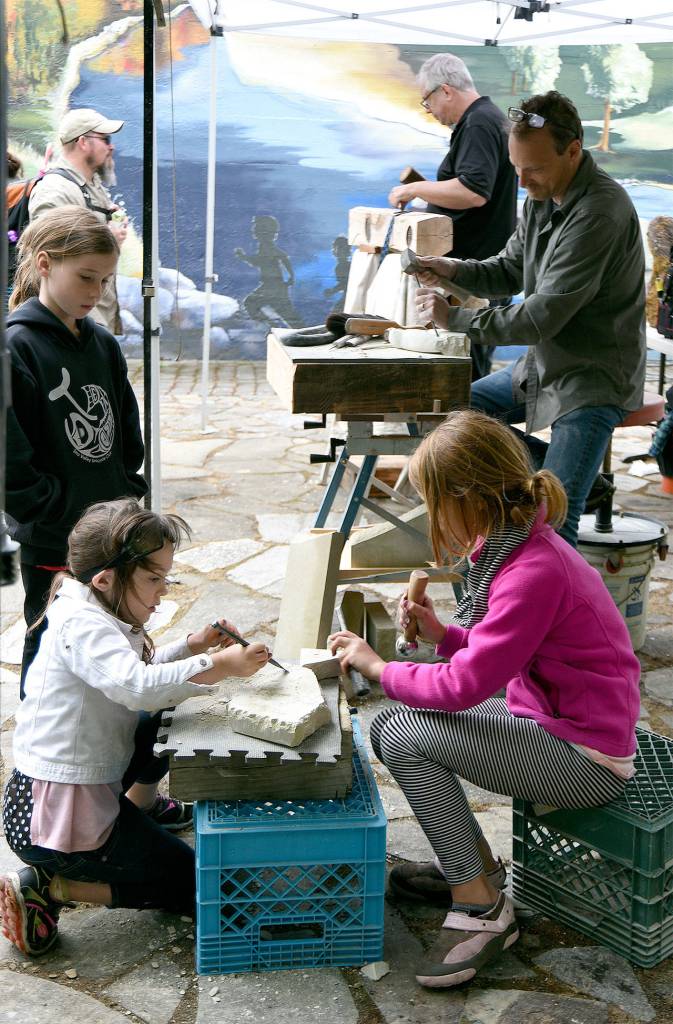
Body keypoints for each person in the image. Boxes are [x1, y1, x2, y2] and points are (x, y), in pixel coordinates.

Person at [328, 410, 640, 988]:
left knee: (398, 731)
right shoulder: (520, 547)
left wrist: (379, 665)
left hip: (588, 757)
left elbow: (465, 686)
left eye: (433, 502)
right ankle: (473, 869)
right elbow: (505, 651)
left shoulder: (532, 570)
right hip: (550, 718)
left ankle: (483, 906)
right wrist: (446, 635)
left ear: (467, 498)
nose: (431, 518)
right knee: (407, 721)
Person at [0, 498, 270, 958]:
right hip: (58, 819)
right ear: (105, 578)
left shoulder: (91, 604)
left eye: (166, 577)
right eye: (153, 578)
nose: (163, 590)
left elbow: (138, 673)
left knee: (169, 708)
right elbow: (138, 686)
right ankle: (55, 887)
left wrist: (193, 646)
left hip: (66, 790)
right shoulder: (83, 625)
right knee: (197, 885)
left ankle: (139, 807)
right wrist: (219, 663)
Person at [411, 91, 646, 548]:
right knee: (444, 422)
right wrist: (452, 269)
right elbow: (507, 269)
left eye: (533, 169)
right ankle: (579, 478)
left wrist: (456, 319)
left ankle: (568, 485)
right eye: (516, 168)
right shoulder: (543, 194)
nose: (522, 181)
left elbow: (539, 318)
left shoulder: (599, 213)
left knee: (555, 524)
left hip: (590, 378)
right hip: (541, 368)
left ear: (573, 150)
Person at [4, 206, 147, 699]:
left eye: (105, 281)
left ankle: (101, 758)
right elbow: (9, 460)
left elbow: (126, 431)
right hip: (53, 541)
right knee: (49, 651)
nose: (96, 292)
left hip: (111, 530)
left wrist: (128, 495)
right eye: (86, 277)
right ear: (44, 263)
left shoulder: (103, 345)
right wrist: (52, 510)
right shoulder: (16, 348)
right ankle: (36, 767)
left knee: (111, 643)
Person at [388, 53, 518, 380]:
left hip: (477, 274)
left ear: (445, 90)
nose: (429, 110)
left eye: (427, 101)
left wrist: (416, 189)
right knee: (466, 369)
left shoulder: (478, 123)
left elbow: (474, 192)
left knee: (464, 376)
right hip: (479, 270)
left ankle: (466, 431)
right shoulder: (484, 119)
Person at [28, 108, 128, 333]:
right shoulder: (55, 190)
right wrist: (109, 238)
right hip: (72, 323)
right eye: (105, 139)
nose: (110, 147)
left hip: (91, 319)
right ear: (83, 142)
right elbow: (49, 256)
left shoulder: (89, 185)